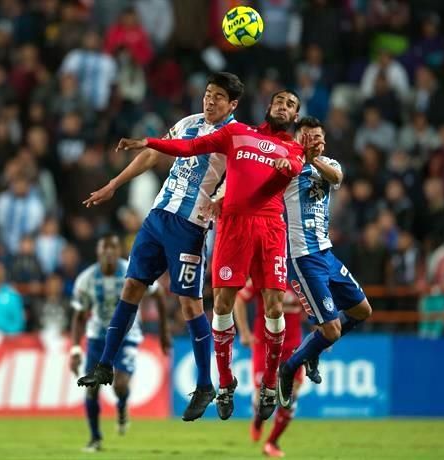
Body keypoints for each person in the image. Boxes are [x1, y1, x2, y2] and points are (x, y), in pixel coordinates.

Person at [103, 90, 320, 421]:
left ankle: (269, 383)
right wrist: (149, 142)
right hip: (233, 226)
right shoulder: (238, 133)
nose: (284, 107)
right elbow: (190, 148)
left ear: (294, 116)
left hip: (270, 229)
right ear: (270, 106)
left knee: (274, 306)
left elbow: (291, 167)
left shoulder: (293, 149)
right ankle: (225, 383)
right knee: (220, 305)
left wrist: (284, 166)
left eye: (291, 105)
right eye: (280, 101)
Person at [76, 72, 244, 422]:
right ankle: (105, 364)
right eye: (208, 94)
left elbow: (243, 180)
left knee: (189, 304)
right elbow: (153, 155)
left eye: (218, 97)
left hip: (190, 225)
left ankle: (203, 385)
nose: (210, 101)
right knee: (132, 285)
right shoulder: (189, 123)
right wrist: (114, 184)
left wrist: (222, 197)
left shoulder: (237, 137)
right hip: (157, 216)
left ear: (233, 105)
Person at [277, 116, 373, 409]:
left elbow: (336, 178)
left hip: (326, 254)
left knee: (361, 310)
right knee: (331, 330)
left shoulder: (329, 164)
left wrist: (314, 159)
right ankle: (289, 368)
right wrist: (297, 157)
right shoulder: (287, 167)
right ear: (298, 139)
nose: (316, 142)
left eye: (319, 137)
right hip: (303, 259)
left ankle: (313, 350)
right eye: (309, 137)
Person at [69, 234, 169, 452]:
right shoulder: (86, 279)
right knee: (92, 388)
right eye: (105, 248)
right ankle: (95, 438)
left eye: (113, 248)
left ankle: (122, 407)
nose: (109, 253)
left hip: (127, 335)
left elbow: (159, 294)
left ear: (119, 251)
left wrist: (163, 332)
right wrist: (75, 348)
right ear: (98, 252)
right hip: (97, 337)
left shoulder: (132, 271)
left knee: (120, 385)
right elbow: (78, 315)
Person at [234, 279, 304, 458]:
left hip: (293, 346)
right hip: (265, 343)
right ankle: (258, 421)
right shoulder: (265, 273)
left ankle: (272, 442)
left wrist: (323, 330)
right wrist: (244, 332)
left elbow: (315, 306)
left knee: (291, 397)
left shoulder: (303, 274)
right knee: (264, 397)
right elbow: (240, 299)